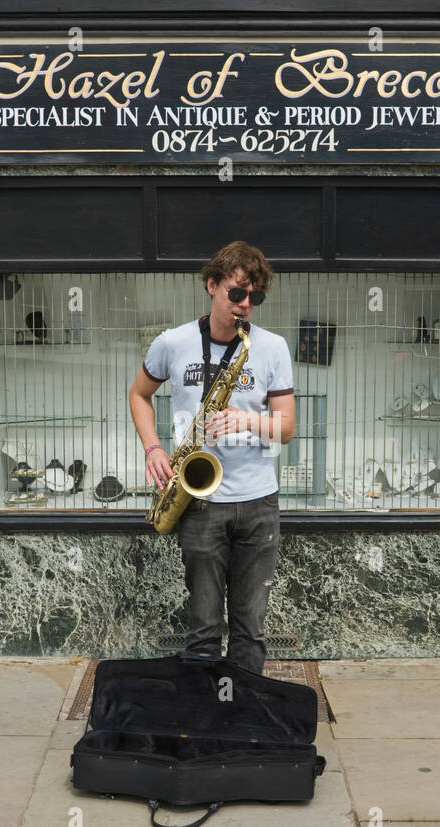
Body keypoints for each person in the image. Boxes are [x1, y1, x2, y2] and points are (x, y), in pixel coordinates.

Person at [128, 240, 295, 673]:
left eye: (254, 297)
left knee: (250, 629)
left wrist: (248, 421)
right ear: (211, 285)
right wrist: (153, 448)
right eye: (236, 294)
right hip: (199, 502)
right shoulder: (173, 342)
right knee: (202, 627)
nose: (245, 305)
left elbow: (287, 429)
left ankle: (243, 720)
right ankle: (203, 723)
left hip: (259, 503)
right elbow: (139, 395)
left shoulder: (271, 347)